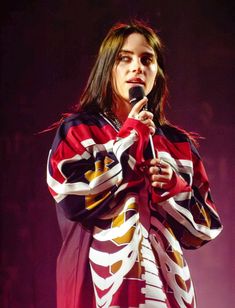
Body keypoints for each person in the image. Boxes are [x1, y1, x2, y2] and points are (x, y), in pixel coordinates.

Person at [47, 20, 222, 308]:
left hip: (167, 293)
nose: (137, 67)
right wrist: (129, 138)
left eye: (146, 59)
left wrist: (174, 188)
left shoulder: (178, 144)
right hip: (96, 293)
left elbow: (206, 228)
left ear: (158, 73)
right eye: (124, 58)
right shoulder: (78, 130)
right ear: (107, 69)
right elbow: (71, 200)